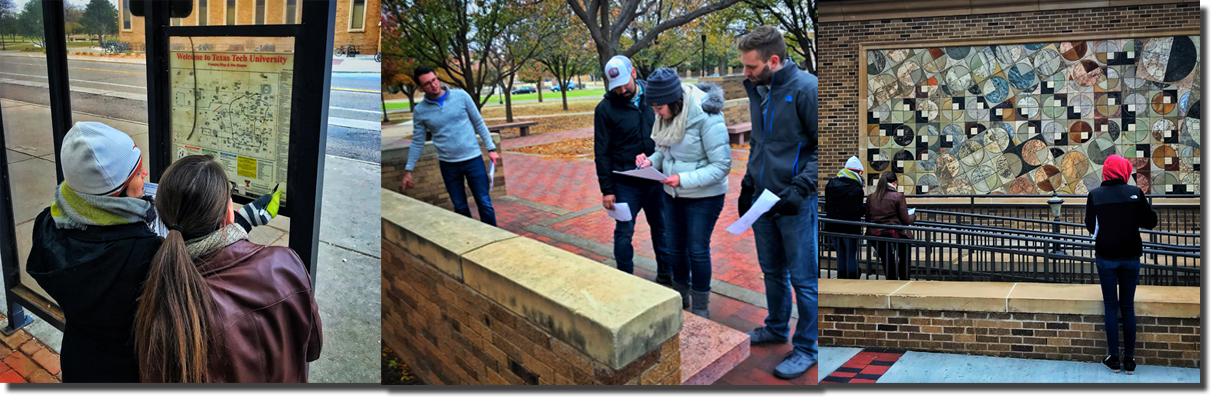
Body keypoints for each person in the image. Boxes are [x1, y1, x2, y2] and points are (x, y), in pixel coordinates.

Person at [135, 154, 322, 382]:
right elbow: (312, 348)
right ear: (227, 214)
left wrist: (244, 222)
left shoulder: (161, 300)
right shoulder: (286, 264)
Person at [25, 122, 160, 382]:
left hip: (79, 361)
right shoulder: (143, 253)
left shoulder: (47, 223)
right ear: (115, 193)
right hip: (130, 370)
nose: (144, 173)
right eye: (135, 172)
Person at [734, 25, 820, 380]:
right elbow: (761, 144)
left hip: (795, 204)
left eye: (751, 67)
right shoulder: (760, 89)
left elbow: (828, 148)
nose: (745, 73)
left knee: (804, 280)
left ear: (773, 60)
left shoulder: (807, 90)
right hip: (762, 200)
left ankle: (807, 347)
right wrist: (747, 184)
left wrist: (800, 189)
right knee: (772, 272)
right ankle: (775, 327)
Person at [634, 69, 730, 318]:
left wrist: (683, 179)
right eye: (652, 107)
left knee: (696, 249)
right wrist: (651, 163)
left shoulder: (706, 115)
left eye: (659, 107)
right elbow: (664, 151)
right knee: (675, 248)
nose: (656, 112)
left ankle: (700, 307)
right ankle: (680, 297)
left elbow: (721, 165)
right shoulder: (666, 116)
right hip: (673, 192)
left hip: (704, 196)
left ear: (674, 100)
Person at [593, 55, 673, 284]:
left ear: (634, 74)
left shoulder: (655, 98)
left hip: (656, 180)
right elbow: (602, 152)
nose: (621, 91)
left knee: (663, 230)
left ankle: (667, 277)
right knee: (624, 232)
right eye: (615, 87)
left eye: (624, 85)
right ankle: (625, 279)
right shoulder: (605, 109)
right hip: (625, 183)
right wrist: (607, 189)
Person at [1085, 154, 1157, 375]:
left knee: (1110, 306)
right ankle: (1130, 360)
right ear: (1124, 171)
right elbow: (1150, 221)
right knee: (1127, 306)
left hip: (1106, 256)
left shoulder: (1095, 195)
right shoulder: (1135, 193)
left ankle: (1113, 359)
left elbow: (1090, 226)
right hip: (1131, 256)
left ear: (1106, 170)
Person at [402, 65, 499, 227]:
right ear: (420, 87)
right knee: (460, 207)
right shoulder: (420, 111)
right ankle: (469, 239)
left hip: (473, 160)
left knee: (484, 203)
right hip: (448, 166)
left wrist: (491, 148)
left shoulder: (461, 96)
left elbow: (478, 122)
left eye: (434, 80)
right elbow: (418, 141)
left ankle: (493, 238)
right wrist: (408, 170)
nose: (433, 85)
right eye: (427, 84)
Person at [865, 171, 914, 281]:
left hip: (877, 233)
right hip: (896, 232)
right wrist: (913, 217)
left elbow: (868, 218)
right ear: (894, 183)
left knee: (887, 258)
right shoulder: (898, 196)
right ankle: (904, 280)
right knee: (904, 256)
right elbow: (906, 219)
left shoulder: (871, 197)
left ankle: (891, 281)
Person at [825, 156, 866, 279]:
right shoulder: (857, 189)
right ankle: (852, 280)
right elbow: (857, 211)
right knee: (851, 255)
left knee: (840, 255)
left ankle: (841, 279)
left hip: (832, 226)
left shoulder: (831, 184)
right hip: (850, 228)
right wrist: (866, 207)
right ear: (858, 172)